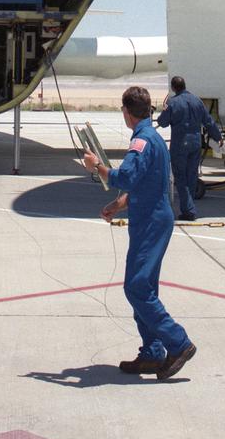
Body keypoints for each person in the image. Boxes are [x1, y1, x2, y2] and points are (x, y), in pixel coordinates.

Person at [81, 85, 197, 381]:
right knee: (145, 287)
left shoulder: (142, 142)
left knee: (136, 287)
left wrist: (98, 167)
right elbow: (144, 184)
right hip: (151, 217)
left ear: (126, 112)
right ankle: (153, 352)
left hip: (151, 223)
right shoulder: (150, 137)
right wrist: (118, 204)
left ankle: (178, 343)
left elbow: (126, 176)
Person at [156, 75, 224, 221]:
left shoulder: (172, 103)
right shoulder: (197, 101)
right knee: (191, 176)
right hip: (195, 143)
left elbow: (162, 122)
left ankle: (188, 210)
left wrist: (164, 112)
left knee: (180, 177)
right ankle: (190, 206)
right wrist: (218, 137)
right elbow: (209, 122)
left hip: (180, 144)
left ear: (173, 88)